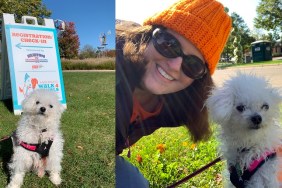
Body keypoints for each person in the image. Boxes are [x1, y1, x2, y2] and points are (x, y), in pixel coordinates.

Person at [116, 0, 232, 187]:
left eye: (192, 65)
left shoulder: (181, 104)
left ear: (199, 78)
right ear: (148, 34)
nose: (175, 66)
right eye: (168, 44)